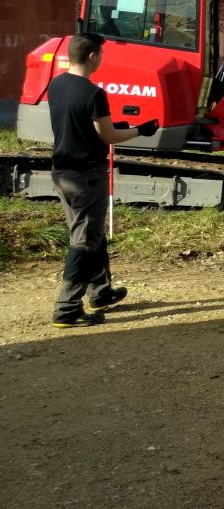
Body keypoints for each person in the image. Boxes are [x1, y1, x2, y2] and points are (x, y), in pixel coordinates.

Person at [49, 32, 158, 328]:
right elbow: (107, 136)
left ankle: (101, 292)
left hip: (62, 171)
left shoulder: (56, 85)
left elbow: (77, 123)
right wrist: (140, 129)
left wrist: (113, 125)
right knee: (83, 241)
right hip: (86, 176)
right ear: (93, 56)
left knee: (90, 232)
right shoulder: (94, 94)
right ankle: (67, 309)